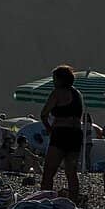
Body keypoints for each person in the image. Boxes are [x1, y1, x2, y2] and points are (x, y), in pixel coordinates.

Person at [38, 64, 84, 201]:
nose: (53, 82)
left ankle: (44, 201)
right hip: (76, 134)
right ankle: (73, 203)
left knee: (49, 172)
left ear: (60, 80)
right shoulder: (77, 94)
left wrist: (49, 129)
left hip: (61, 134)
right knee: (71, 173)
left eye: (54, 79)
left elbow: (44, 114)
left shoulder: (57, 93)